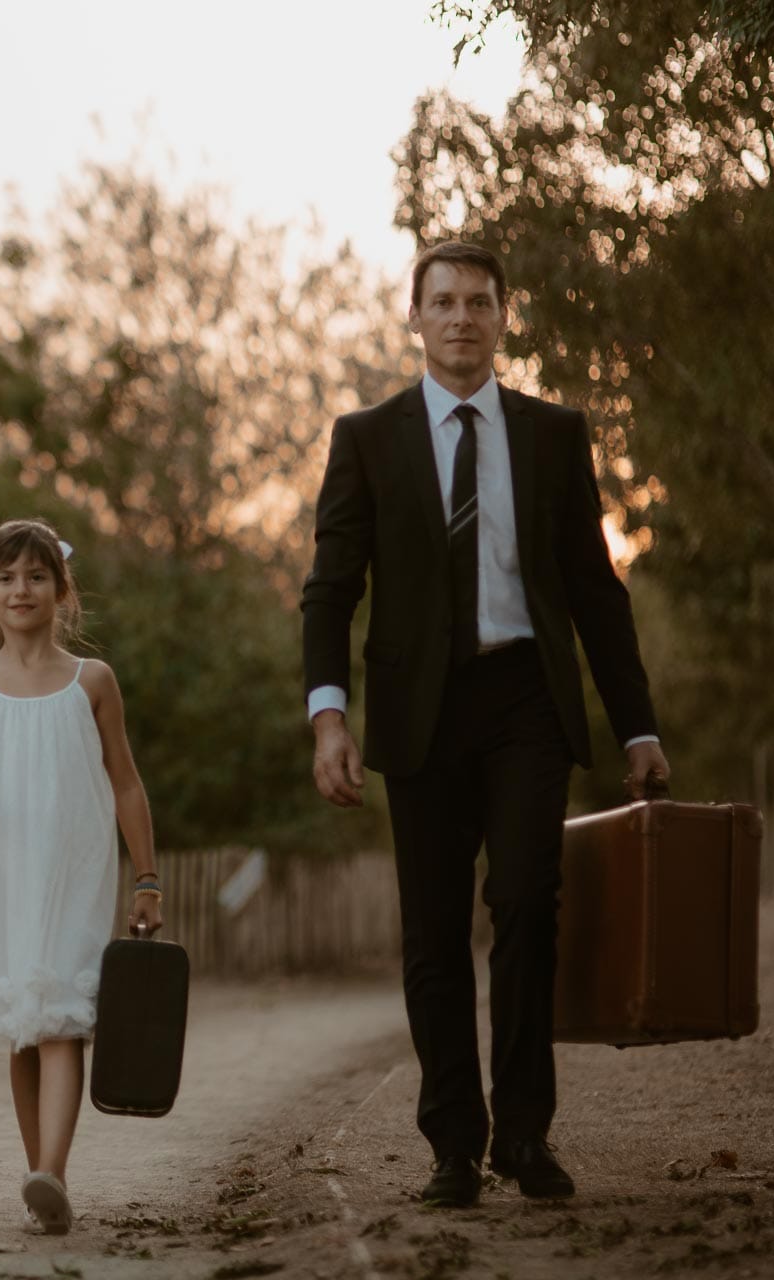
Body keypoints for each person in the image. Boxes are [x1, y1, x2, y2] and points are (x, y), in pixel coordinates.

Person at [301, 242, 670, 1208]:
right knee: (430, 934)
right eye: (444, 302)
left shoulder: (553, 434)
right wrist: (327, 717)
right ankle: (454, 1148)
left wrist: (637, 726)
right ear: (414, 318)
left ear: (506, 317)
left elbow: (595, 590)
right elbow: (330, 592)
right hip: (419, 712)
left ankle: (526, 1134)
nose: (462, 317)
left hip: (525, 702)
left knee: (524, 901)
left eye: (479, 302)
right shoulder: (366, 438)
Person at [0, 518, 161, 1235]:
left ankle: (51, 1170)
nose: (23, 589)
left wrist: (147, 879)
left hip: (73, 867)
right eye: (8, 577)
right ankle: (41, 1182)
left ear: (62, 591)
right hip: (1, 870)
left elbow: (127, 786)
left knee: (59, 1022)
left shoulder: (93, 682)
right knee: (24, 1025)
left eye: (37, 576)